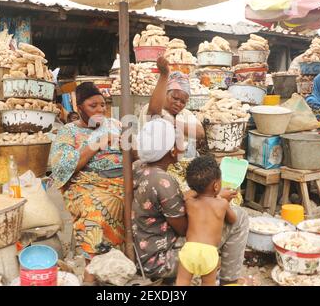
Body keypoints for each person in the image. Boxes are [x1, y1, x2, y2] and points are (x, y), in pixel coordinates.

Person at [132, 118, 249, 285]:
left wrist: (208, 195)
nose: (184, 144)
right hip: (160, 261)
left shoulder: (139, 166)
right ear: (172, 151)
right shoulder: (164, 182)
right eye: (180, 141)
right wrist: (214, 200)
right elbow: (185, 229)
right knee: (240, 216)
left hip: (144, 250)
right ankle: (229, 280)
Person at [50, 82, 124, 284]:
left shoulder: (113, 125)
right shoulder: (68, 132)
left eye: (103, 105)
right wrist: (96, 143)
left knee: (146, 199)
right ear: (79, 108)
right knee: (97, 210)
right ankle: (92, 273)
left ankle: (136, 262)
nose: (100, 109)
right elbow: (62, 167)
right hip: (85, 184)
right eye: (93, 106)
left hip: (120, 180)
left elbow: (133, 153)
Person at [175, 155, 237, 286]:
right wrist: (224, 201)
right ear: (216, 186)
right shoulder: (222, 204)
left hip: (189, 250)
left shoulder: (190, 203)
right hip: (209, 253)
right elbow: (233, 220)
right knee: (208, 284)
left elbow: (184, 197)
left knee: (182, 282)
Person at [139, 56, 205, 159]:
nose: (178, 104)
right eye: (175, 98)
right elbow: (154, 114)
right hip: (159, 162)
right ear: (166, 94)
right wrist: (164, 75)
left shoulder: (186, 114)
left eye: (183, 102)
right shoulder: (151, 107)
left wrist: (174, 123)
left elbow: (200, 133)